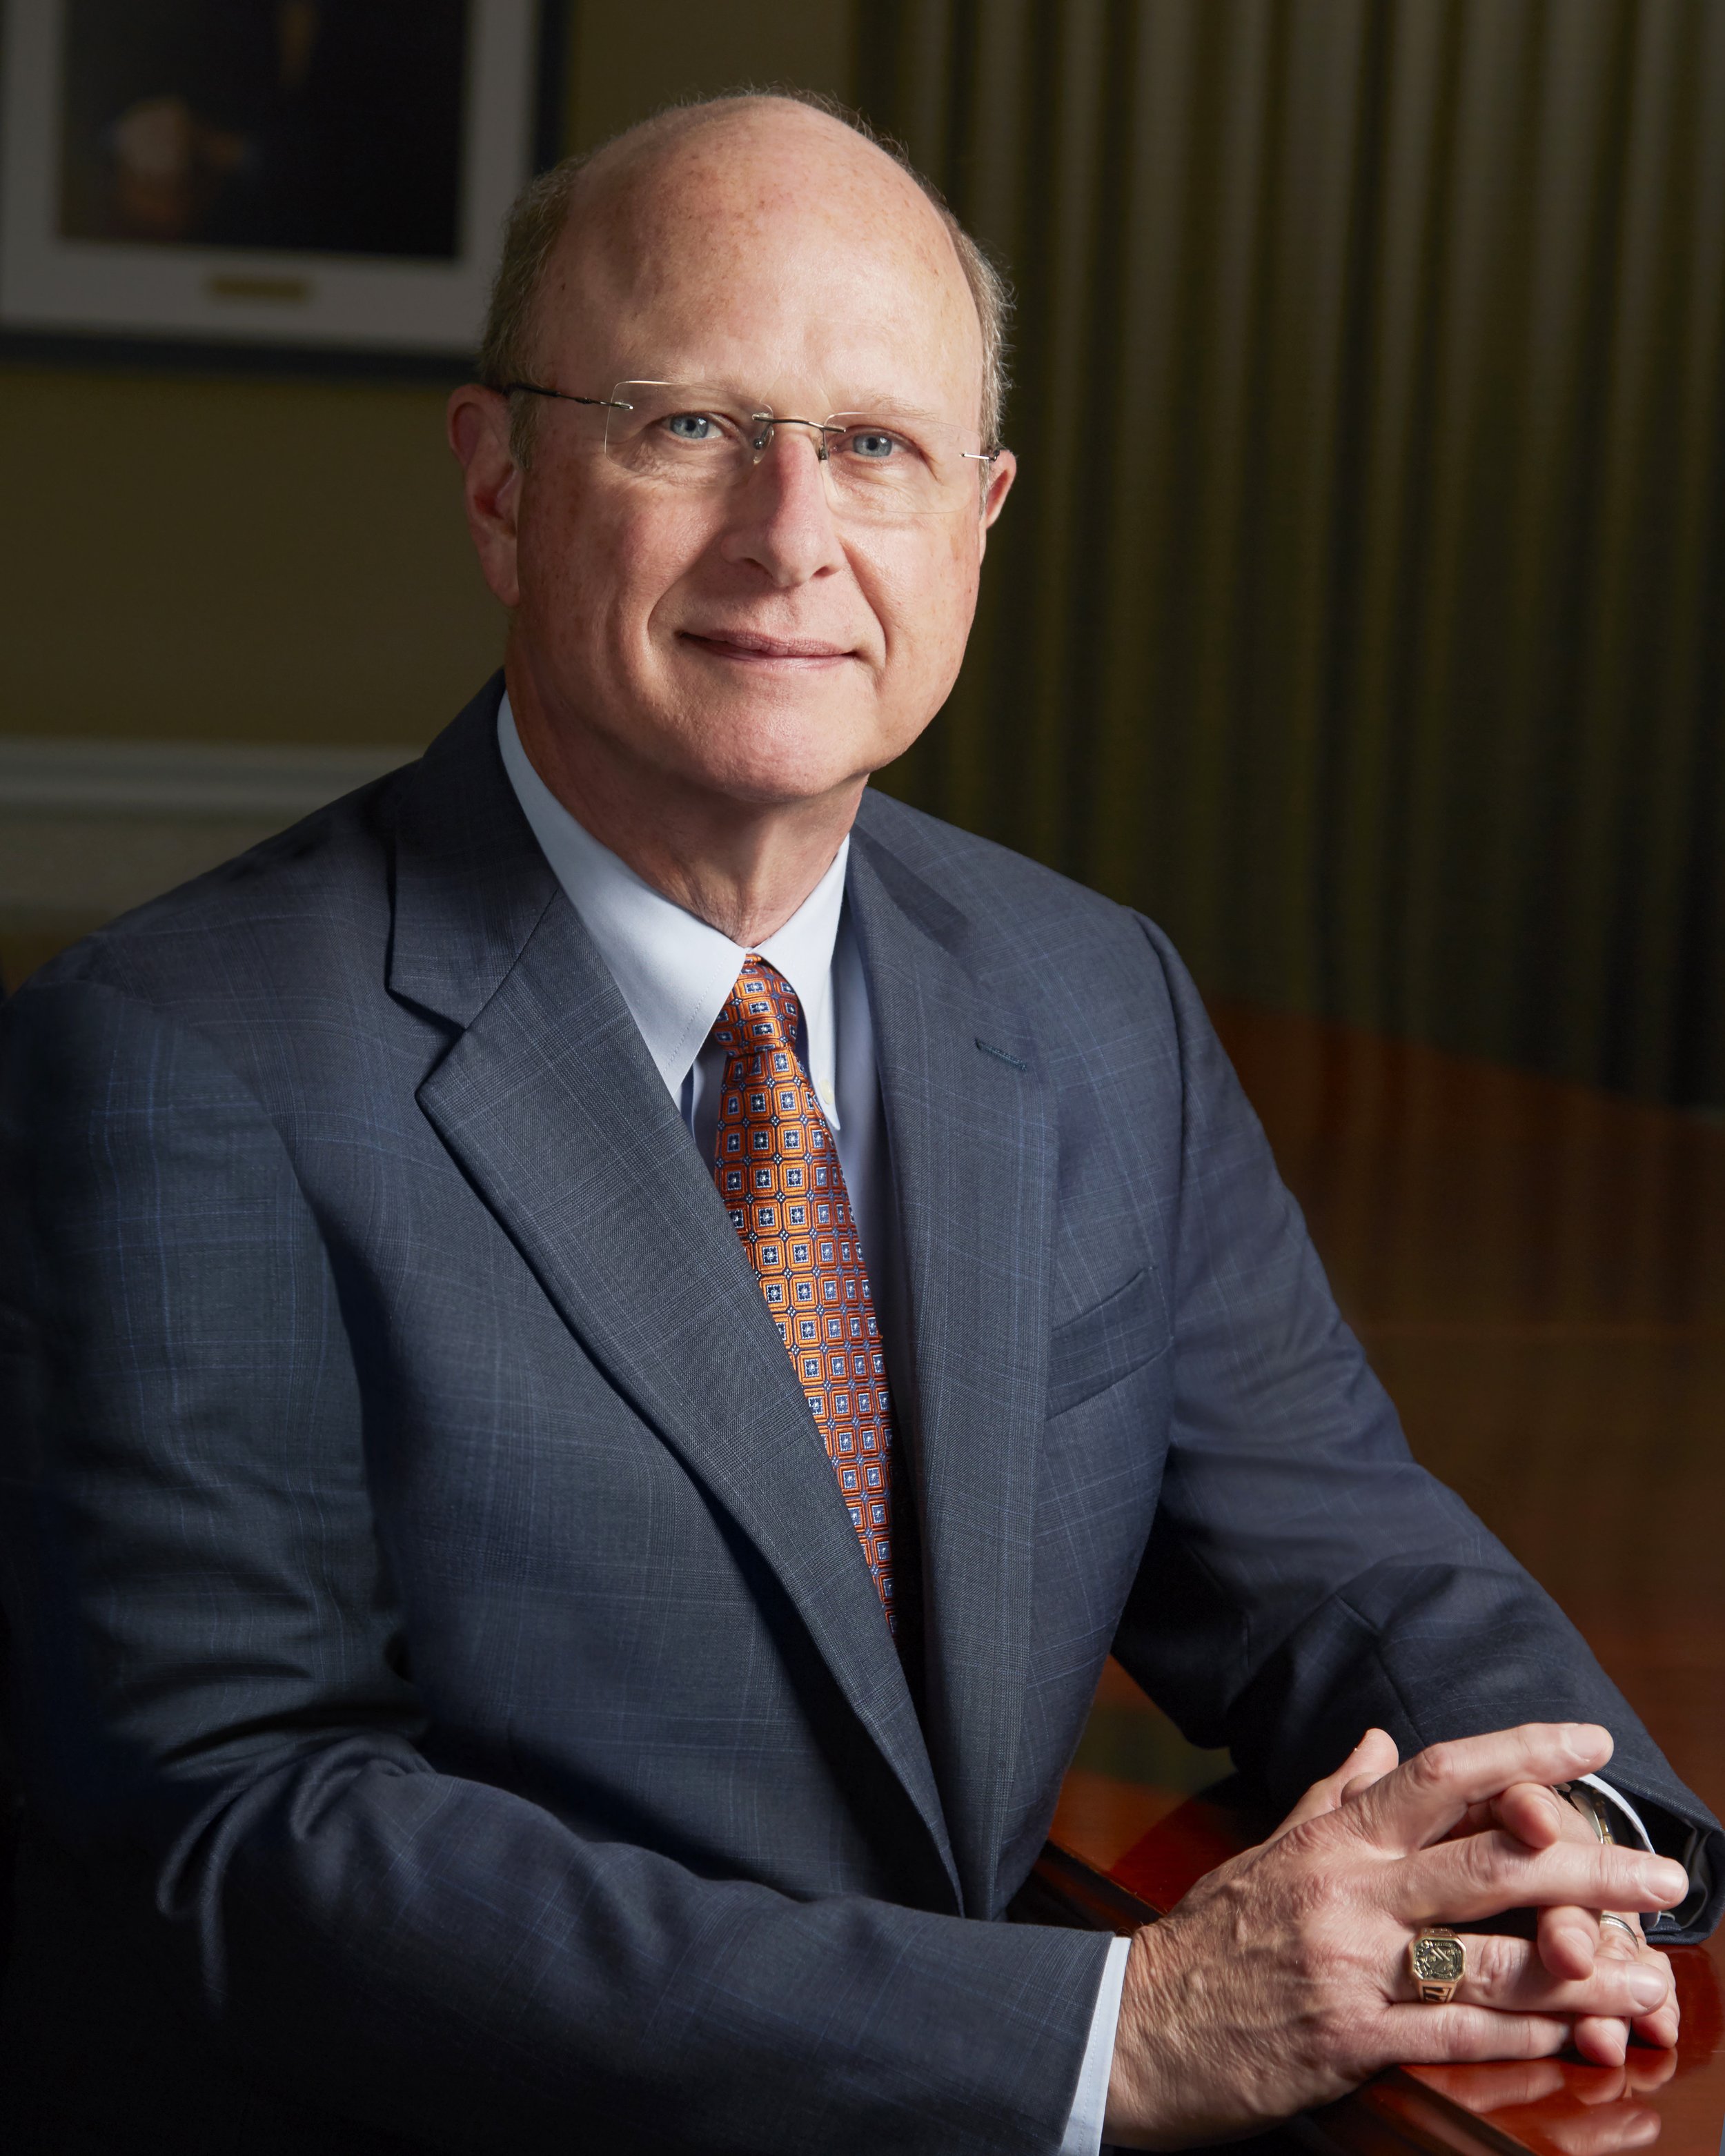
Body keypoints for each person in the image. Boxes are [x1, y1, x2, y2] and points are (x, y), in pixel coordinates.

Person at [0, 91, 1717, 2156]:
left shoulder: (1091, 997)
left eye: (879, 448)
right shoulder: (181, 1051)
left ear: (979, 514)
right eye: (688, 426)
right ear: (500, 485)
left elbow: (1327, 1549)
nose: (791, 536)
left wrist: (1565, 1847)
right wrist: (1108, 2031)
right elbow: (252, 1842)